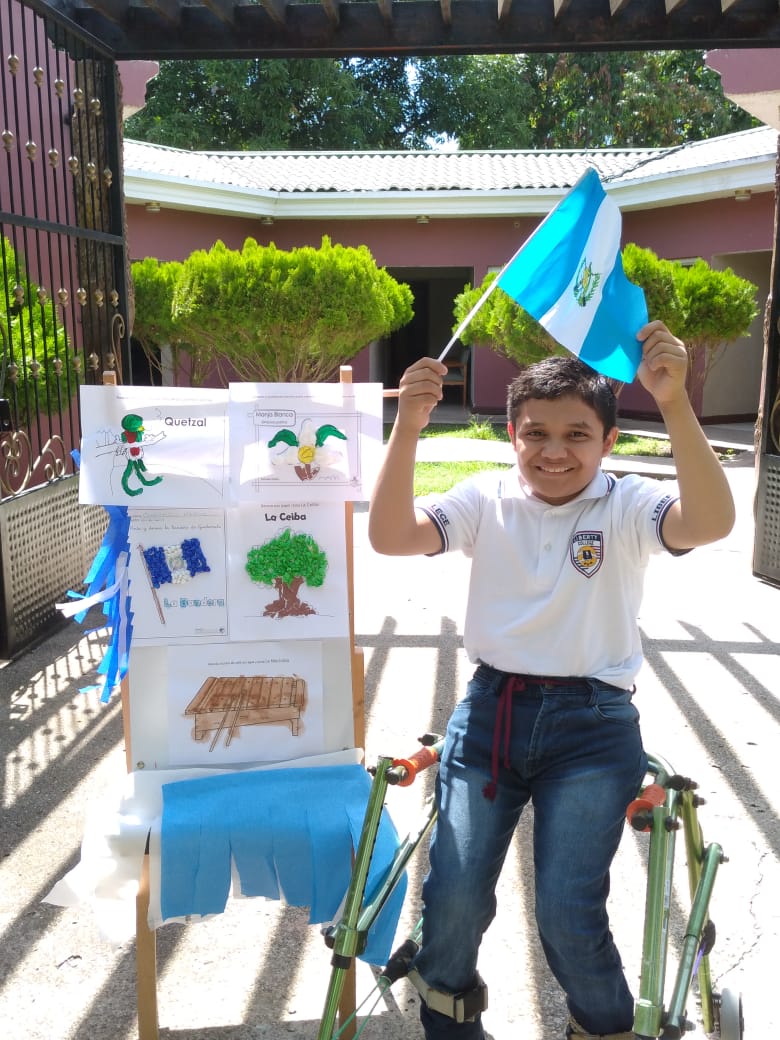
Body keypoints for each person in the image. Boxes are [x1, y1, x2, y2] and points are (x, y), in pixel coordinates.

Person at [368, 321, 735, 1040]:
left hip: (593, 728)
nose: (554, 452)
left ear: (608, 442)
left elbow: (713, 522)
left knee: (569, 911)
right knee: (454, 900)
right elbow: (391, 536)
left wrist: (675, 404)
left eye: (576, 435)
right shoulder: (485, 497)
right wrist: (407, 428)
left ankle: (604, 1027)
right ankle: (450, 1023)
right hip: (491, 716)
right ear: (512, 436)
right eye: (536, 434)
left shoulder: (629, 504)